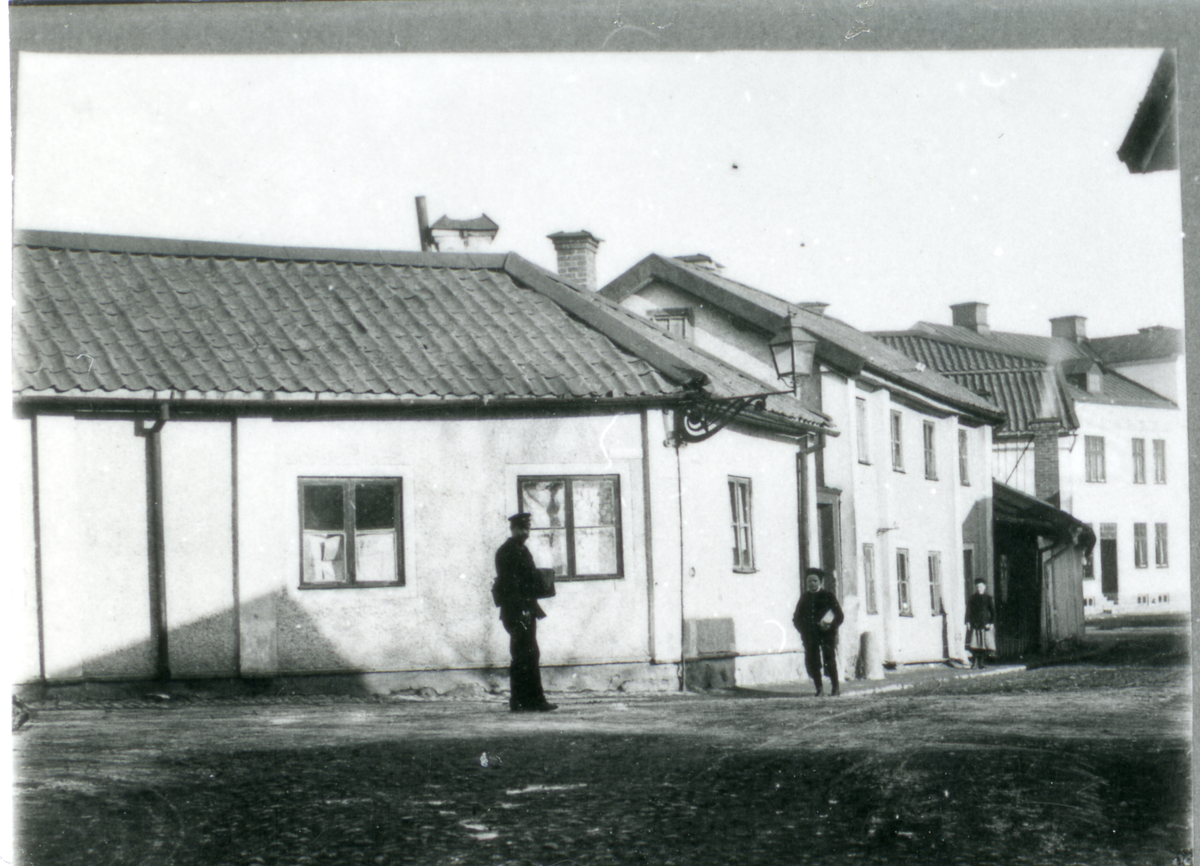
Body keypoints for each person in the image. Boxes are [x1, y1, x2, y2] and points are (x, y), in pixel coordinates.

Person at [494, 512, 557, 712]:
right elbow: (511, 584)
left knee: (528, 654)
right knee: (523, 654)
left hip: (525, 608)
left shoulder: (522, 550)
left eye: (527, 528)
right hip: (516, 610)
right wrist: (522, 609)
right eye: (521, 528)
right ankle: (526, 701)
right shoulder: (507, 551)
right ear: (513, 529)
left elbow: (528, 580)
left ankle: (527, 701)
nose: (525, 532)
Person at [793, 567, 844, 696]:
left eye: (815, 581)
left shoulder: (828, 596)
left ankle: (835, 688)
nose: (812, 583)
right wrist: (804, 631)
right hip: (811, 636)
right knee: (813, 661)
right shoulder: (804, 598)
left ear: (820, 582)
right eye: (809, 581)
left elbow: (839, 616)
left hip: (827, 634)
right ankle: (819, 689)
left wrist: (830, 625)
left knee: (829, 660)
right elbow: (796, 618)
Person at [965, 578, 996, 669]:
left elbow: (993, 612)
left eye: (981, 586)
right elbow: (968, 611)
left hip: (985, 624)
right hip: (975, 624)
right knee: (974, 645)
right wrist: (968, 622)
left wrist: (991, 623)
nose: (979, 588)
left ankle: (981, 663)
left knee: (983, 645)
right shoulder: (972, 598)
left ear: (985, 587)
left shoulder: (988, 598)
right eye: (978, 587)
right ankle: (974, 662)